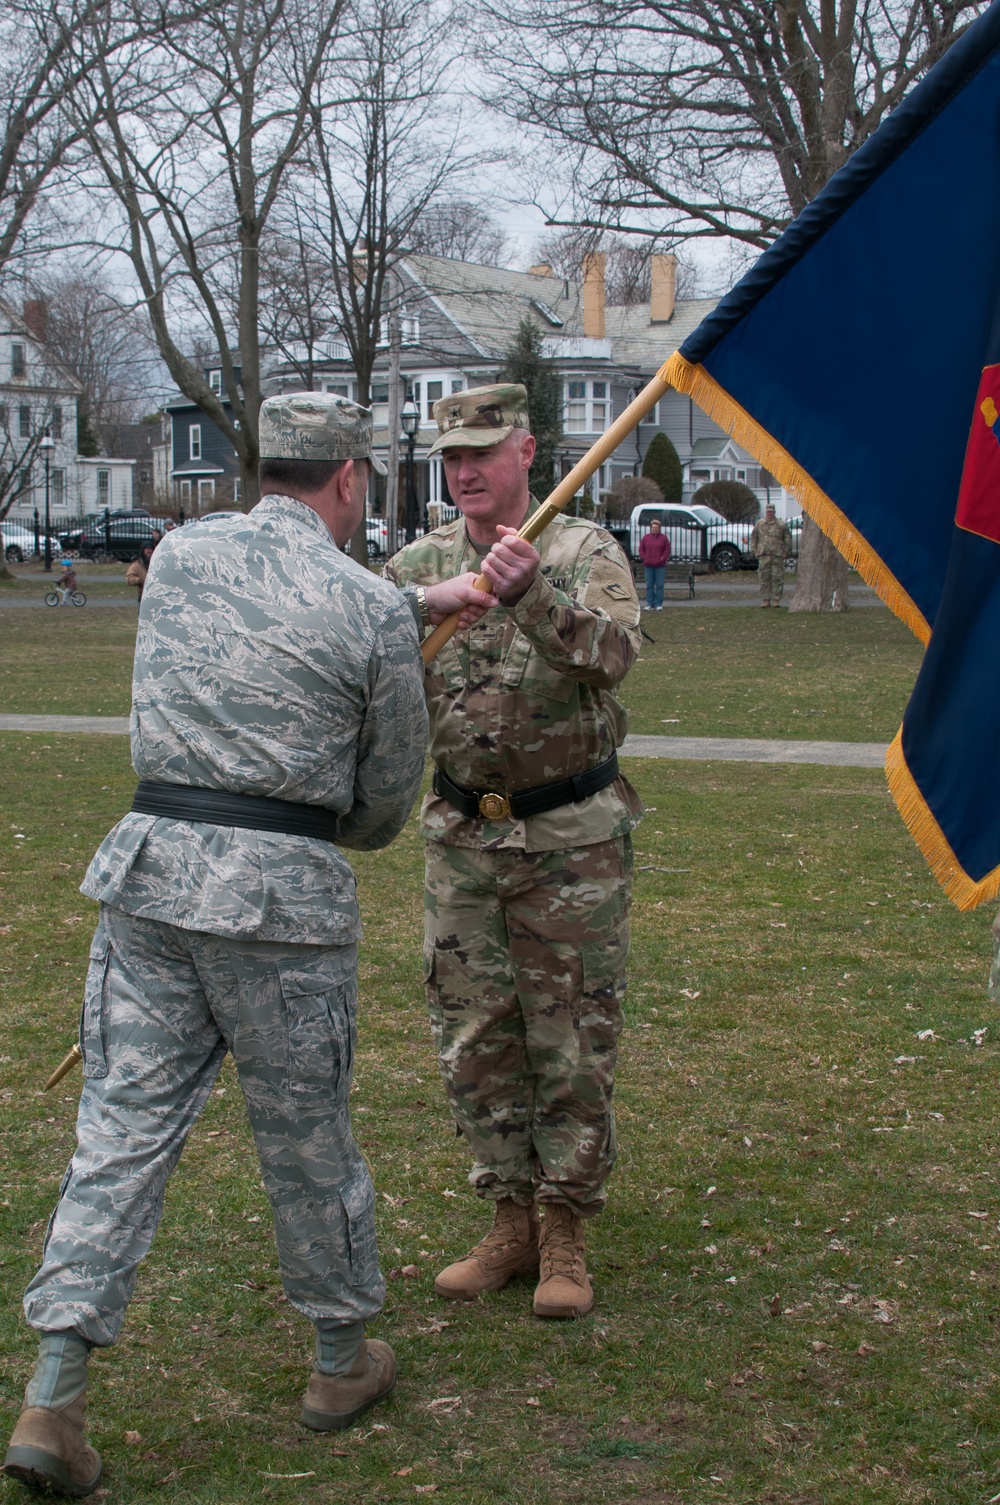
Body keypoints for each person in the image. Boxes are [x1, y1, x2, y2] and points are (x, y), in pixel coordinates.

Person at [4, 394, 434, 1498]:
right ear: (347, 476)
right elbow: (386, 802)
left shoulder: (177, 552)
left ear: (263, 465)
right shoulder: (374, 606)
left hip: (148, 875)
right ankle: (340, 1365)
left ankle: (53, 1392)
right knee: (306, 1140)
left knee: (120, 1130)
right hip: (279, 899)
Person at [384, 383, 643, 1322]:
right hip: (462, 839)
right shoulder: (418, 564)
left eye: (481, 452)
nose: (464, 471)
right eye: (451, 457)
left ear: (525, 450)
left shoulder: (581, 551)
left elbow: (614, 656)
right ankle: (508, 1213)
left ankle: (565, 1219)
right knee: (475, 1035)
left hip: (568, 841)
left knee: (570, 1035)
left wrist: (532, 591)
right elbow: (358, 661)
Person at [750, 502, 793, 607]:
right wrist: (754, 550)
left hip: (777, 554)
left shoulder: (781, 525)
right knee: (764, 578)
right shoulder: (760, 523)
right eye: (768, 512)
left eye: (771, 512)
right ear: (766, 512)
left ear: (774, 512)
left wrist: (785, 551)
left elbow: (787, 538)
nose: (769, 513)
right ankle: (765, 599)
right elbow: (754, 537)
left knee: (777, 578)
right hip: (763, 554)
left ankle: (776, 600)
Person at [637, 518, 670, 609]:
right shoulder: (646, 538)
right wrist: (645, 558)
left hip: (660, 566)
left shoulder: (664, 538)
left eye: (656, 527)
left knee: (659, 585)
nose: (654, 529)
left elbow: (667, 549)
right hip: (648, 566)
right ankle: (649, 603)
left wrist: (662, 558)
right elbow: (641, 549)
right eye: (653, 527)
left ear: (659, 528)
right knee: (649, 585)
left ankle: (658, 604)